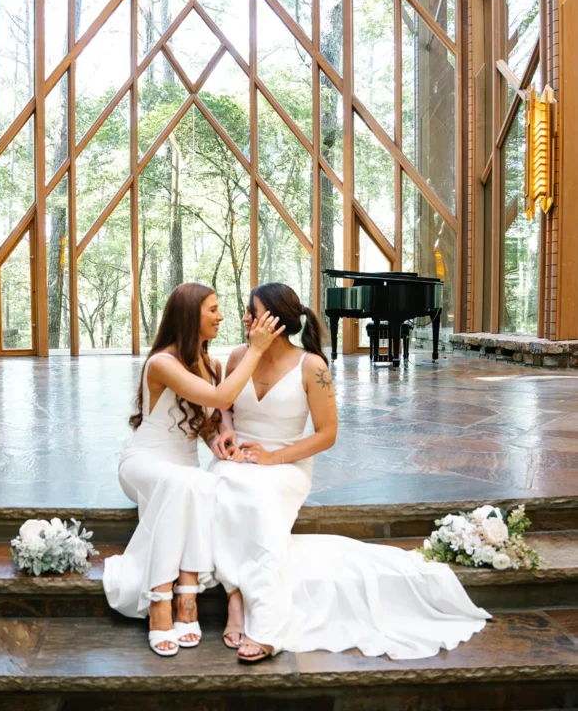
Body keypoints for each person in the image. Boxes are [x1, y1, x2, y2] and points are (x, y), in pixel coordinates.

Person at [210, 282, 490, 663]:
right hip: (238, 458)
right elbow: (224, 405)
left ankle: (268, 622)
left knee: (260, 501)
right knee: (220, 487)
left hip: (286, 463)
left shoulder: (312, 367)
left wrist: (274, 458)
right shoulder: (239, 355)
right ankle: (235, 597)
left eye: (252, 311)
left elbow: (327, 434)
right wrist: (226, 429)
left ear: (275, 321)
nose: (244, 317)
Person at [103, 282, 285, 656]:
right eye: (213, 310)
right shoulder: (161, 363)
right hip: (145, 462)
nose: (221, 317)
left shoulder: (212, 364)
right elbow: (221, 397)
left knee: (199, 484)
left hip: (183, 471)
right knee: (186, 483)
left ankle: (186, 598)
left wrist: (221, 437)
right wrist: (257, 348)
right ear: (190, 316)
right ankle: (159, 600)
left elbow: (209, 418)